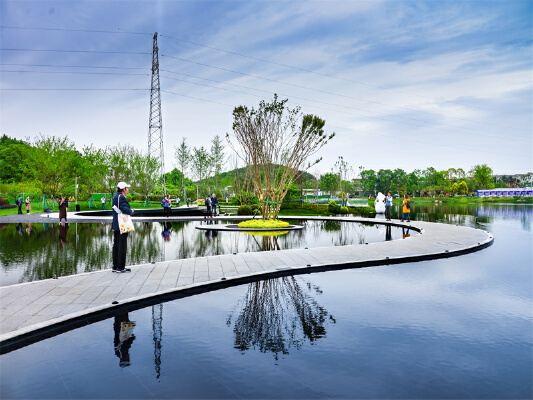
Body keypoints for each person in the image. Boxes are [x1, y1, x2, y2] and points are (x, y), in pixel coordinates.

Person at [112, 182, 134, 273]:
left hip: (116, 225)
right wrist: (131, 211)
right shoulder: (121, 197)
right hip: (122, 225)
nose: (127, 190)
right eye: (126, 188)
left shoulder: (115, 197)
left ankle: (115, 266)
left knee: (116, 245)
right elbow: (124, 209)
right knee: (122, 245)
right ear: (123, 189)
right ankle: (120, 267)